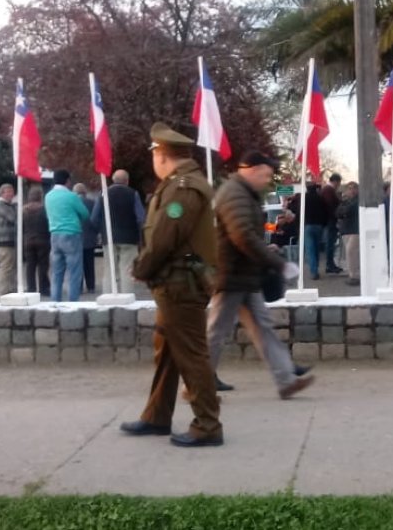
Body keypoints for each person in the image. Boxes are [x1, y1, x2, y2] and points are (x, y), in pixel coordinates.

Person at [120, 123, 223, 447]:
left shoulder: (183, 188)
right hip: (175, 283)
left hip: (181, 285)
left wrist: (142, 267)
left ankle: (207, 425)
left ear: (162, 155)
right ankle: (156, 416)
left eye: (154, 154)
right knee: (167, 352)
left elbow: (166, 236)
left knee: (192, 355)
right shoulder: (178, 184)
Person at [207, 150, 315, 399]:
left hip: (243, 275)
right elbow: (242, 235)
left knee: (262, 327)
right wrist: (277, 263)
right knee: (216, 332)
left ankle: (286, 380)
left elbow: (245, 235)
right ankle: (195, 384)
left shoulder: (242, 193)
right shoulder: (235, 194)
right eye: (265, 175)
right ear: (252, 170)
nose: (267, 180)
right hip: (232, 275)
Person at [91, 169, 146, 293]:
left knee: (109, 269)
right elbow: (141, 218)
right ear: (127, 181)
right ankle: (126, 298)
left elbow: (94, 218)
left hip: (109, 237)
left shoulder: (103, 194)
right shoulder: (133, 194)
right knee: (127, 270)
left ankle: (109, 297)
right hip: (129, 238)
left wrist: (102, 231)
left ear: (113, 180)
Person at [44, 169, 89, 302]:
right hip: (71, 234)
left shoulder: (48, 196)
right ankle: (73, 302)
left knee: (57, 272)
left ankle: (55, 301)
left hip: (54, 234)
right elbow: (85, 214)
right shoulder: (71, 196)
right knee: (74, 271)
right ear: (67, 181)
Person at [293, 184, 329, 280]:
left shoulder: (303, 199)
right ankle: (316, 267)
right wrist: (324, 224)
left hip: (307, 225)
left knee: (310, 249)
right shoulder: (320, 198)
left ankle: (314, 271)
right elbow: (326, 211)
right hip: (319, 226)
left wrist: (298, 226)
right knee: (316, 248)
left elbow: (298, 213)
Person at [22, 187, 51, 295]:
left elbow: (20, 227)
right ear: (40, 196)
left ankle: (31, 288)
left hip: (28, 241)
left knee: (30, 266)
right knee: (43, 265)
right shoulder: (44, 209)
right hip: (42, 240)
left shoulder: (23, 210)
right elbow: (48, 224)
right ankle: (44, 288)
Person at [73, 182, 99, 294]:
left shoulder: (72, 204)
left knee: (78, 263)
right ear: (85, 192)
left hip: (76, 237)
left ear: (75, 192)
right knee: (90, 263)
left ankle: (78, 287)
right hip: (90, 237)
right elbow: (96, 219)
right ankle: (91, 286)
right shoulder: (92, 203)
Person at [0, 183, 18, 295]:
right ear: (2, 193)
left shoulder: (9, 205)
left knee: (12, 267)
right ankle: (4, 291)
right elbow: (13, 218)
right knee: (6, 268)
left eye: (12, 191)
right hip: (4, 241)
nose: (11, 194)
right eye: (8, 192)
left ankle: (12, 289)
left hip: (11, 241)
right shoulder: (0, 205)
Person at [337, 182, 361, 286]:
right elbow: (337, 212)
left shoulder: (359, 200)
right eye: (350, 188)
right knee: (350, 254)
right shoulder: (345, 201)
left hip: (356, 229)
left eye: (354, 188)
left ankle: (354, 275)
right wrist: (344, 209)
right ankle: (352, 274)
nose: (352, 190)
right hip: (345, 230)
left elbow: (349, 210)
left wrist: (344, 211)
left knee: (351, 251)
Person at [321, 173, 344, 274]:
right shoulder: (329, 190)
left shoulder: (327, 190)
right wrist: (336, 216)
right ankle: (330, 265)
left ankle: (330, 264)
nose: (338, 185)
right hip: (331, 220)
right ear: (335, 181)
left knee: (331, 243)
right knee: (330, 243)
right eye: (338, 183)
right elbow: (330, 205)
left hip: (329, 220)